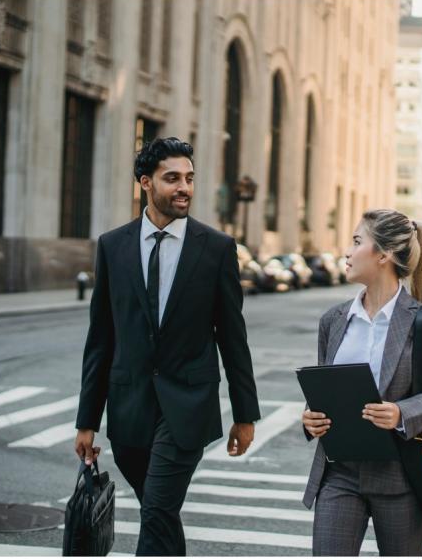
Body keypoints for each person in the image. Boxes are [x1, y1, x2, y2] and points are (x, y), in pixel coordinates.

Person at [74, 137, 260, 556]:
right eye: (172, 178)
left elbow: (233, 336)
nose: (185, 188)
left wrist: (245, 414)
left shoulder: (215, 248)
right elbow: (101, 339)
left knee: (157, 509)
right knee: (160, 515)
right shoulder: (112, 246)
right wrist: (87, 420)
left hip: (188, 407)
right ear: (146, 182)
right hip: (129, 409)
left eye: (190, 179)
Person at [301, 209, 422, 556]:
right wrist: (311, 418)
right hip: (339, 473)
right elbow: (324, 389)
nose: (347, 251)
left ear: (384, 255)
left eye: (357, 241)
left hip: (400, 477)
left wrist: (401, 413)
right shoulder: (333, 320)